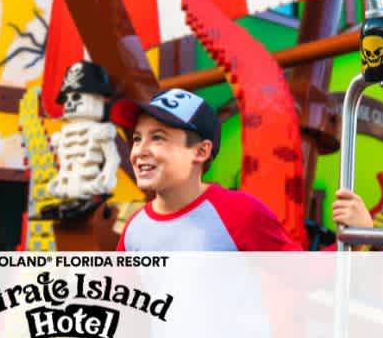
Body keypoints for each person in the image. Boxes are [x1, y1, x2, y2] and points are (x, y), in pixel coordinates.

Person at [111, 88, 301, 251]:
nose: (140, 151)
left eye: (158, 138)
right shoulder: (134, 229)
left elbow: (304, 274)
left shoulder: (242, 213)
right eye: (137, 139)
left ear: (201, 151)